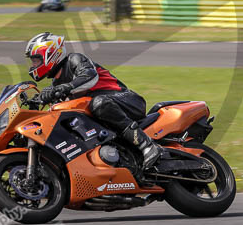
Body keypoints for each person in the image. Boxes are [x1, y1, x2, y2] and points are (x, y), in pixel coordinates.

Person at [24, 32, 161, 169]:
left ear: (50, 54)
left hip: (127, 100)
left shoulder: (75, 59)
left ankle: (147, 145)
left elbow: (89, 76)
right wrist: (37, 101)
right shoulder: (57, 83)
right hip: (109, 110)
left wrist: (65, 88)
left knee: (98, 103)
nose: (34, 65)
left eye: (36, 60)